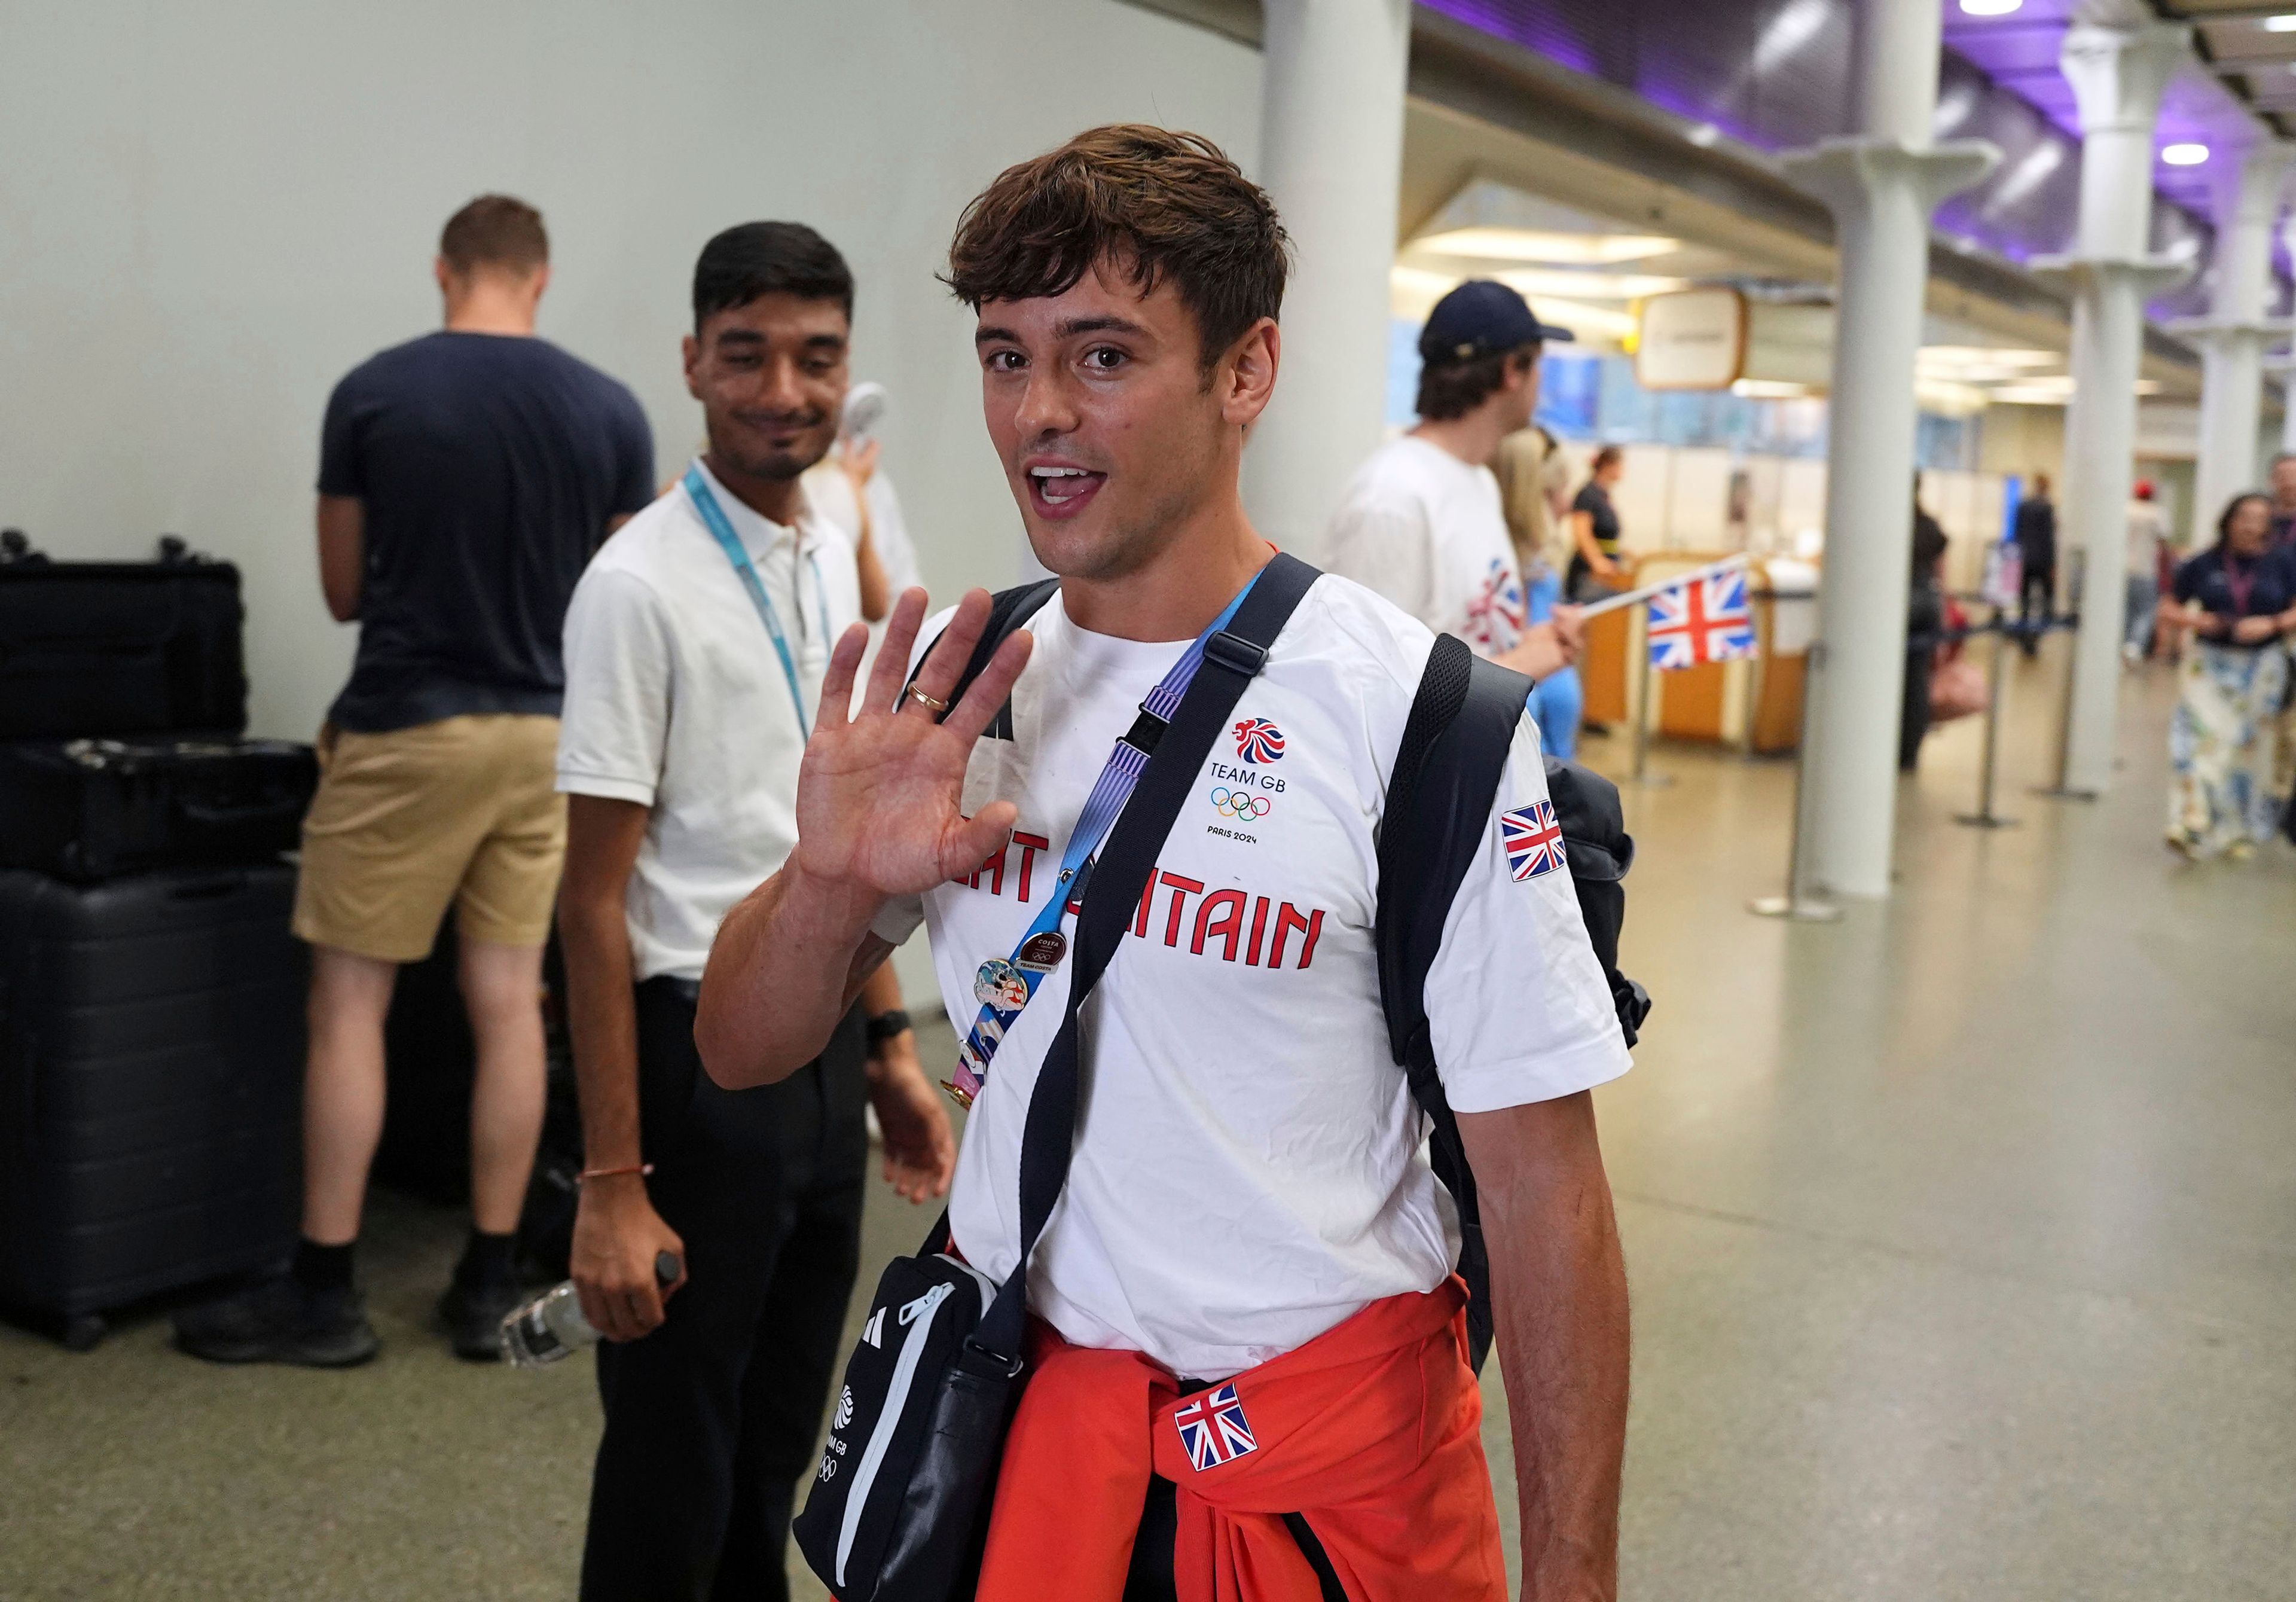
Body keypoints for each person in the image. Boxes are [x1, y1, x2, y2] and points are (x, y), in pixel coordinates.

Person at [696, 125, 1632, 1602]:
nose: (1039, 417)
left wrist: (1574, 1575)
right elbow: (742, 1047)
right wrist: (825, 885)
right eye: (1006, 356)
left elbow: (1544, 1196)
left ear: (1243, 371)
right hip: (1023, 1450)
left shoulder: (1417, 716)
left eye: (1104, 356)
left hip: (1310, 1487)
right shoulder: (967, 689)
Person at [175, 195, 655, 1368]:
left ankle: (325, 1290)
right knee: (506, 1002)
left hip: (406, 728)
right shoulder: (611, 409)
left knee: (351, 1003)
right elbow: (623, 601)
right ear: (539, 279)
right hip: (552, 740)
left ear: (447, 270)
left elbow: (344, 588)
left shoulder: (374, 391)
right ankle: (483, 1280)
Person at [552, 222, 953, 1602]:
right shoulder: (635, 585)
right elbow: (590, 902)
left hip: (821, 1032)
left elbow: (830, 846)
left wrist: (890, 1051)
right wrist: (611, 1182)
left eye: (815, 356)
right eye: (747, 354)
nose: (783, 387)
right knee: (674, 1445)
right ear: (691, 363)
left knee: (781, 1423)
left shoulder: (824, 540)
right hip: (689, 1053)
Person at [1324, 280, 1584, 753]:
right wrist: (1524, 662)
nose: (1540, 380)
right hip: (1420, 807)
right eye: (1537, 364)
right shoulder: (1393, 496)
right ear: (1512, 370)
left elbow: (1462, 642)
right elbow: (1369, 692)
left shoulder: (1478, 480)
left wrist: (1535, 645)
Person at [2157, 492, 2296, 859]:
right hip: (2209, 663)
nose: (2250, 525)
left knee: (2241, 746)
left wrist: (2273, 623)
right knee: (2198, 737)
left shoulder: (2283, 564)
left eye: (2259, 518)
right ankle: (2189, 821)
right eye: (2243, 517)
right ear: (2228, 521)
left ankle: (2233, 829)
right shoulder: (2203, 563)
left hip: (2261, 665)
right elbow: (2169, 607)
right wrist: (2198, 620)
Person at [1901, 477, 1950, 771]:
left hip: (1903, 601)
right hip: (1928, 601)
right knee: (1917, 681)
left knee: (1889, 679)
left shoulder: (1891, 521)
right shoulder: (1929, 525)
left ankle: (1889, 746)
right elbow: (1941, 570)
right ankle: (1910, 753)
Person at [1567, 444, 1628, 603]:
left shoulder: (1603, 496)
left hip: (1608, 571)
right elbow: (1581, 533)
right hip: (1589, 575)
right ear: (1608, 466)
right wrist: (1597, 562)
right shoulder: (1588, 494)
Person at [2013, 470, 2057, 657]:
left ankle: (2024, 636)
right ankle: (2035, 636)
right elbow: (2049, 539)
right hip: (2041, 561)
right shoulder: (2047, 508)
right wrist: (2052, 564)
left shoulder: (2023, 506)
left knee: (2024, 602)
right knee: (2046, 601)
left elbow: (2017, 534)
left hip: (2024, 559)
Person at [2125, 479, 2168, 666]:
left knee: (2125, 610)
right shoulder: (2157, 513)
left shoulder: (2125, 509)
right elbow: (2164, 539)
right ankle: (2133, 647)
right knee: (2144, 612)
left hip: (2123, 569)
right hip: (2146, 570)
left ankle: (2123, 644)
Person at [2267, 452, 2296, 551]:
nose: (2289, 483)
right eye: (2283, 477)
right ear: (2271, 480)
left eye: (2294, 477)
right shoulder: (2261, 519)